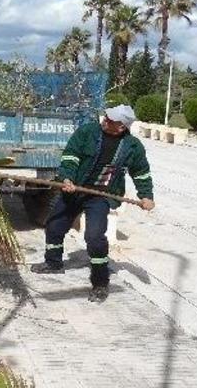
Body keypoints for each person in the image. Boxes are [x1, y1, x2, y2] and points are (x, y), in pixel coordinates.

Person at [32, 104, 155, 302]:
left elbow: (141, 172)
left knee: (95, 237)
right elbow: (71, 156)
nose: (105, 120)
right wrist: (67, 179)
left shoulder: (132, 146)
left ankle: (100, 283)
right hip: (75, 189)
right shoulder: (88, 132)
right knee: (54, 225)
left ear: (122, 127)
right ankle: (53, 263)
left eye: (110, 120)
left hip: (101, 195)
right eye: (106, 116)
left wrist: (146, 196)